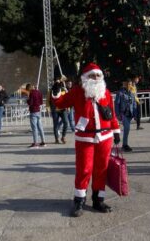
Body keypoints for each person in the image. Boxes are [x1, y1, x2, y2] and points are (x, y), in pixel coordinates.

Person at [53, 63, 121, 217]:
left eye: (98, 75)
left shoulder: (106, 92)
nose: (96, 78)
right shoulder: (77, 92)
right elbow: (59, 103)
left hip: (105, 137)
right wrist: (56, 92)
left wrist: (116, 130)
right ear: (85, 77)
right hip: (85, 138)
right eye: (92, 75)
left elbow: (112, 114)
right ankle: (79, 200)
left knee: (101, 169)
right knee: (84, 169)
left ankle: (98, 199)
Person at [115, 77, 135, 152]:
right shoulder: (120, 93)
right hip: (123, 113)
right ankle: (124, 145)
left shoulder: (132, 93)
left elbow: (133, 104)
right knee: (127, 128)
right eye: (127, 84)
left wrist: (135, 114)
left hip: (130, 113)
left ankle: (125, 144)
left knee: (127, 129)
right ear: (124, 84)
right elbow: (117, 104)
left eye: (130, 84)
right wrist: (117, 114)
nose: (128, 85)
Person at [50, 76, 69, 144]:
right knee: (55, 124)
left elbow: (66, 99)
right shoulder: (51, 91)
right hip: (55, 110)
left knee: (66, 122)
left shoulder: (62, 90)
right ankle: (56, 139)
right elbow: (48, 101)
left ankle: (63, 137)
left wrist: (68, 107)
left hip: (63, 109)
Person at [27, 83, 46, 147]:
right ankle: (43, 141)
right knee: (40, 127)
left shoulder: (31, 93)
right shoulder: (39, 92)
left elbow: (30, 103)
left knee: (34, 128)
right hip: (38, 110)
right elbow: (41, 102)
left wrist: (27, 101)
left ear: (29, 88)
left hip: (33, 111)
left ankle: (35, 142)